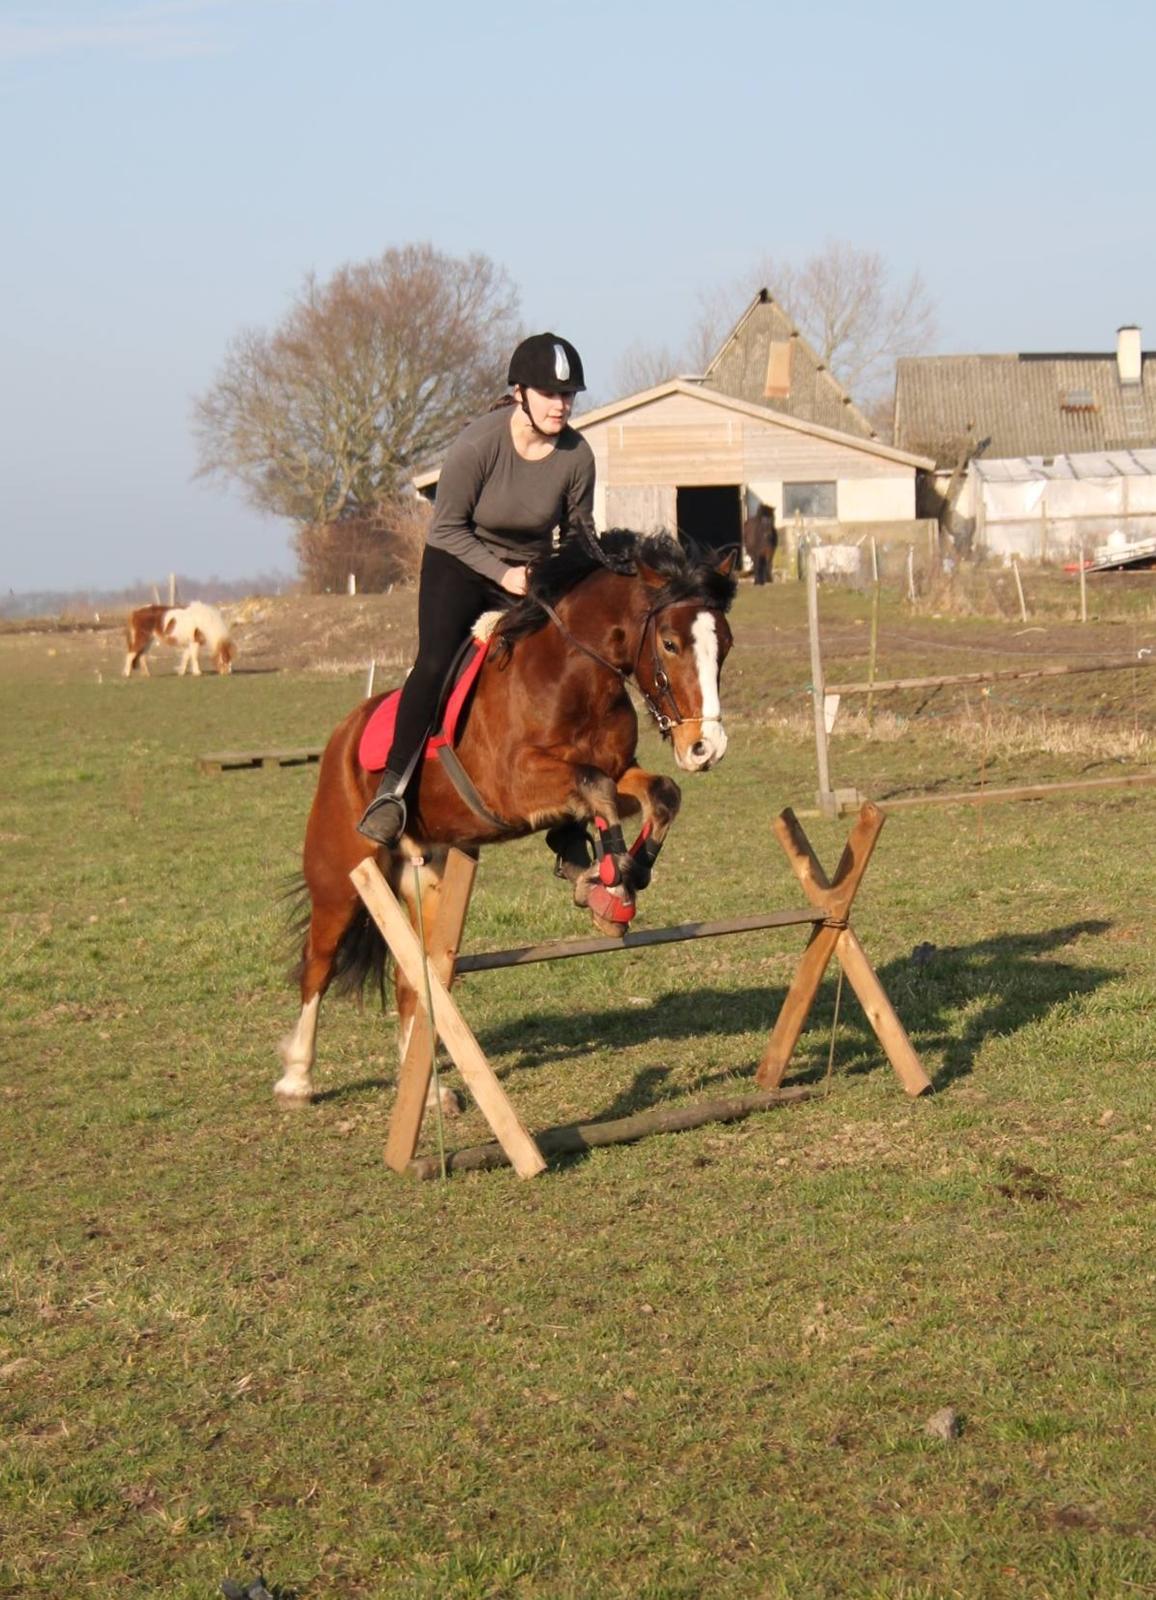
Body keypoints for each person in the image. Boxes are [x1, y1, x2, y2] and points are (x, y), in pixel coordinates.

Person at [357, 332, 596, 846]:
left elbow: (579, 533)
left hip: (528, 570)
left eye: (569, 395)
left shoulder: (577, 457)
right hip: (458, 563)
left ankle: (570, 817)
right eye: (551, 394)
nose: (562, 405)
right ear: (520, 393)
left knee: (562, 663)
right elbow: (444, 529)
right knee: (437, 662)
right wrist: (503, 573)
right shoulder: (478, 444)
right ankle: (393, 789)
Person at [742, 503, 777, 586]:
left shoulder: (769, 529)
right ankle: (758, 578)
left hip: (764, 542)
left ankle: (765, 577)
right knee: (757, 561)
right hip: (755, 546)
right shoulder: (751, 526)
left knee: (767, 561)